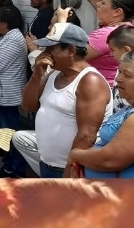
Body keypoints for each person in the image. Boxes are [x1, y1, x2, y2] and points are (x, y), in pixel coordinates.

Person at [19, 19, 110, 177]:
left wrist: (70, 169)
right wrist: (36, 75)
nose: (45, 53)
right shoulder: (53, 74)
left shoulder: (90, 81)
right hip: (48, 164)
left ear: (71, 50)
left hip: (69, 169)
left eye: (51, 48)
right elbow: (28, 106)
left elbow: (87, 135)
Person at [69, 49, 134, 178]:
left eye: (127, 75)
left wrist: (75, 154)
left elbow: (109, 160)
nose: (118, 79)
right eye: (119, 72)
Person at [54, 0, 134, 84]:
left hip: (98, 91)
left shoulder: (106, 35)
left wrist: (61, 21)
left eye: (103, 3)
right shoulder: (133, 31)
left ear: (117, 12)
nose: (97, 4)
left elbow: (65, 57)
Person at [0, 3, 31, 176]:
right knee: (3, 132)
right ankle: (9, 165)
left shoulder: (14, 41)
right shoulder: (7, 38)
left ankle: (16, 168)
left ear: (4, 23)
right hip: (1, 94)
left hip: (8, 95)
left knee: (9, 132)